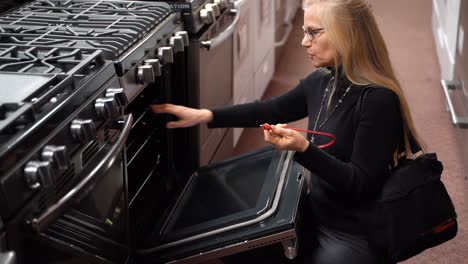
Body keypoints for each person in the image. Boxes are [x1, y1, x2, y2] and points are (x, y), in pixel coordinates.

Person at [151, 0, 424, 263]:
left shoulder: (378, 101)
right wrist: (205, 115)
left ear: (347, 34)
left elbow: (360, 186)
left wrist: (304, 149)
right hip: (316, 210)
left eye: (313, 33)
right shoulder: (322, 80)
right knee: (230, 246)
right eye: (305, 32)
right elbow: (271, 109)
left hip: (353, 230)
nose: (304, 41)